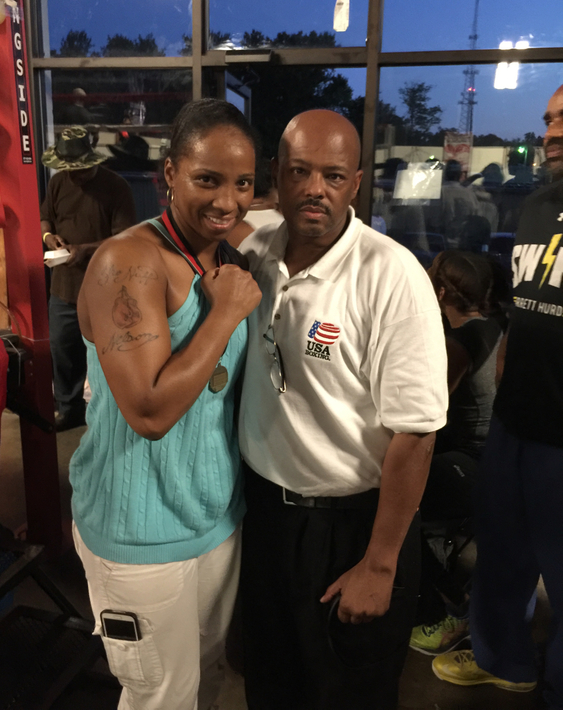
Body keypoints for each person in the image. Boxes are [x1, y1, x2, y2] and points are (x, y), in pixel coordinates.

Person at [238, 109, 448, 710]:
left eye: (332, 176)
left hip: (354, 528)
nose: (315, 189)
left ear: (355, 183)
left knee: (351, 692)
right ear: (276, 175)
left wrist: (380, 566)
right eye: (299, 172)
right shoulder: (255, 251)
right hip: (265, 518)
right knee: (270, 685)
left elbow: (416, 434)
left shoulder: (392, 276)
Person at [70, 99, 262, 710]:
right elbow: (148, 413)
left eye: (242, 183)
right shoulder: (128, 262)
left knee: (204, 680)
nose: (227, 201)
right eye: (208, 179)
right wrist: (224, 314)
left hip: (214, 518)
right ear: (170, 174)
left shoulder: (225, 255)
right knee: (160, 698)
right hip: (138, 534)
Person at [432, 85, 563, 709]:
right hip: (515, 422)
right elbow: (524, 309)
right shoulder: (535, 208)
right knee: (503, 555)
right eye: (549, 120)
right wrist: (506, 367)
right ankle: (501, 660)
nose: (552, 132)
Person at [409, 251, 503, 655]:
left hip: (471, 465)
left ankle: (439, 613)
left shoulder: (461, 342)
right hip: (491, 458)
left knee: (385, 505)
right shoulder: (493, 325)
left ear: (441, 292)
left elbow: (426, 410)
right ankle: (455, 596)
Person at [40, 127, 136, 431]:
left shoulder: (116, 187)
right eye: (68, 168)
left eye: (79, 169)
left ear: (91, 159)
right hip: (64, 287)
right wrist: (48, 237)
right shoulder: (58, 183)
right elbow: (46, 217)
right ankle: (69, 410)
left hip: (104, 289)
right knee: (62, 350)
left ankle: (109, 417)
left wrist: (85, 250)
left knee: (107, 355)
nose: (74, 175)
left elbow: (125, 239)